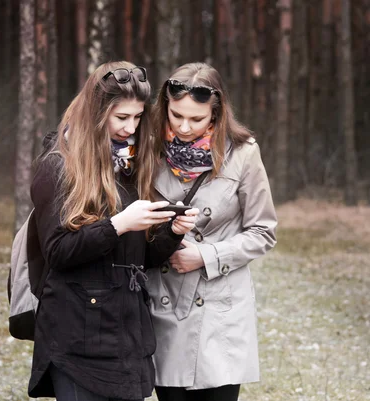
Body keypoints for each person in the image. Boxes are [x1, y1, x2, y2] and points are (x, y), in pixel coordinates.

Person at [27, 61, 199, 401]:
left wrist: (171, 233)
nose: (130, 128)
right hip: (76, 338)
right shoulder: (57, 165)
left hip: (126, 338)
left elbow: (136, 259)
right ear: (95, 112)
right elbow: (58, 253)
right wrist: (118, 224)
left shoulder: (127, 165)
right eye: (121, 118)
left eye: (137, 118)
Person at [147, 62, 278, 401]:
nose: (184, 127)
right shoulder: (147, 151)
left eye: (196, 119)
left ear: (216, 115)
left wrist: (205, 256)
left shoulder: (243, 153)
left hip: (220, 308)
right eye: (176, 116)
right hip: (165, 302)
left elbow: (263, 231)